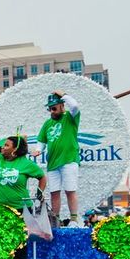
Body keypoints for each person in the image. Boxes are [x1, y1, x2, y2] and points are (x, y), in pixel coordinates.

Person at [35, 91, 81, 226]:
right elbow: (41, 141)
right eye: (49, 108)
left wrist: (63, 95)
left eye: (54, 108)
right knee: (54, 192)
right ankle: (56, 219)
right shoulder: (47, 123)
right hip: (53, 163)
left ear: (62, 106)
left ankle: (73, 219)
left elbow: (75, 106)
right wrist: (38, 150)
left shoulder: (69, 118)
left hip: (69, 160)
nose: (52, 111)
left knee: (70, 190)